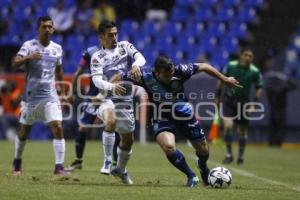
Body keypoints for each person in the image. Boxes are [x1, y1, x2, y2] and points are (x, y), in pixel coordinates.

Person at [115, 56, 241, 187]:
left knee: (203, 150)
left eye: (171, 74)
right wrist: (108, 91)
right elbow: (118, 77)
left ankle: (203, 167)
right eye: (166, 76)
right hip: (161, 115)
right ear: (157, 73)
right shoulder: (144, 76)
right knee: (169, 147)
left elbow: (204, 66)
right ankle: (191, 176)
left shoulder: (181, 70)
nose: (170, 77)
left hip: (184, 114)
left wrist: (224, 79)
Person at [90, 20, 146, 184]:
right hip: (106, 98)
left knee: (128, 139)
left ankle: (120, 170)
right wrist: (112, 87)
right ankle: (107, 160)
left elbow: (140, 57)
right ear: (101, 37)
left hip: (125, 99)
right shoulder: (97, 57)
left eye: (115, 34)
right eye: (110, 35)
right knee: (111, 120)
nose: (114, 37)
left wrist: (136, 65)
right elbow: (97, 81)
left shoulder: (125, 46)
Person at [11, 16, 68, 176]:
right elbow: (14, 63)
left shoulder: (57, 48)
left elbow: (59, 71)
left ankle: (59, 167)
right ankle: (17, 160)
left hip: (50, 96)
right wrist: (29, 57)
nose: (47, 29)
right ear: (38, 29)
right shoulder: (29, 46)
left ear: (53, 29)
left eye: (50, 27)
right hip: (31, 97)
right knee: (24, 130)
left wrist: (62, 93)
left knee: (57, 127)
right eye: (44, 27)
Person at [66, 44, 120, 175]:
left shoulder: (118, 52)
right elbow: (78, 72)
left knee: (112, 125)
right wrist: (70, 92)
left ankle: (115, 163)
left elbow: (120, 74)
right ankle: (78, 160)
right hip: (93, 96)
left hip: (109, 96)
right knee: (83, 127)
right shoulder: (90, 52)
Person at [216, 47, 263, 165]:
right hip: (229, 100)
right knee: (228, 126)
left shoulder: (255, 71)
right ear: (241, 56)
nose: (248, 58)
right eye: (246, 55)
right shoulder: (230, 65)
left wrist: (254, 104)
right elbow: (221, 80)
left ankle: (241, 156)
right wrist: (217, 97)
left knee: (242, 130)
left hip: (243, 102)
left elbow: (259, 87)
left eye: (250, 56)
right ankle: (229, 154)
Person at [265, 70, 297, 147]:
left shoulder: (271, 89)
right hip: (280, 110)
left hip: (274, 110)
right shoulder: (282, 88)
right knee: (279, 128)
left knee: (273, 128)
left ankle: (272, 143)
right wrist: (286, 78)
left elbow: (267, 86)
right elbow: (294, 86)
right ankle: (278, 143)